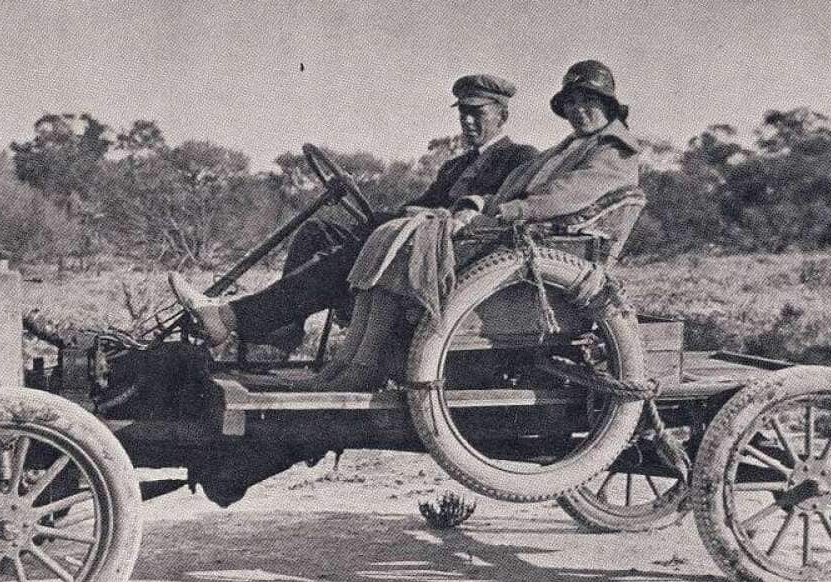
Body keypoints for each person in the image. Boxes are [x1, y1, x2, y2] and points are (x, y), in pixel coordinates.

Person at [312, 59, 644, 391]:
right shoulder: (570, 146)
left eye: (587, 101)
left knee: (410, 240)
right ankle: (351, 361)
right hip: (514, 233)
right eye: (571, 102)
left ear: (606, 104)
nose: (578, 110)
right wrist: (478, 204)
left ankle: (364, 366)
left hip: (536, 247)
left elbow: (563, 197)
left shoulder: (614, 151)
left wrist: (506, 212)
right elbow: (516, 187)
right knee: (392, 233)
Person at [169, 74, 537, 353]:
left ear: (501, 117)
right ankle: (283, 330)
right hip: (421, 242)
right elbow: (422, 202)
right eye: (464, 114)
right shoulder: (453, 166)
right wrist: (404, 212)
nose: (468, 122)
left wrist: (456, 209)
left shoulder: (519, 156)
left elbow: (499, 203)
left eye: (478, 114)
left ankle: (233, 316)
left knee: (362, 244)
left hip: (453, 259)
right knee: (320, 230)